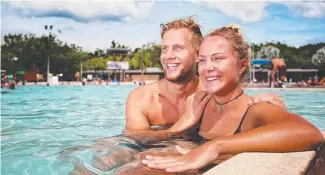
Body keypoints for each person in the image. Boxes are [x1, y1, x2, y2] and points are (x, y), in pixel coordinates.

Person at [68, 16, 287, 174]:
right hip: (146, 145)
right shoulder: (141, 98)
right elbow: (134, 138)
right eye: (165, 49)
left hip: (186, 149)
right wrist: (183, 124)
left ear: (197, 54)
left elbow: (235, 100)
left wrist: (260, 101)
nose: (168, 56)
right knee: (94, 159)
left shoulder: (211, 90)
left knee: (134, 170)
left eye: (177, 48)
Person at [141, 24, 324, 173]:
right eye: (202, 61)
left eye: (218, 58)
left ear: (242, 65)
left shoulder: (254, 110)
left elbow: (310, 133)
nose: (207, 68)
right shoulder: (197, 103)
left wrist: (216, 146)